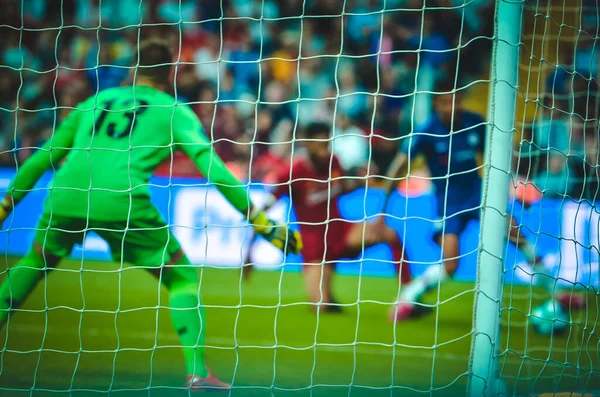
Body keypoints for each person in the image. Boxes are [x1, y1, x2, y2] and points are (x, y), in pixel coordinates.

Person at [0, 38, 302, 391]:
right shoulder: (173, 111)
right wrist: (261, 222)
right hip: (121, 199)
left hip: (66, 194)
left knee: (35, 262)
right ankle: (197, 371)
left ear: (134, 69)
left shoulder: (95, 101)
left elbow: (40, 158)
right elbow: (215, 170)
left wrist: (6, 205)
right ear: (170, 73)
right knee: (182, 277)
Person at [386, 80, 573, 322]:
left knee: (518, 237)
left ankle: (557, 293)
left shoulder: (473, 123)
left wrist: (515, 186)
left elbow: (499, 155)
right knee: (451, 264)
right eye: (446, 101)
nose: (452, 106)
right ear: (436, 104)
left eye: (456, 100)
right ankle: (408, 299)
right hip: (448, 203)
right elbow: (399, 166)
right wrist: (383, 207)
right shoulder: (425, 132)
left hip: (479, 195)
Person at [267, 122, 409, 313]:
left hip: (340, 233)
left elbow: (341, 188)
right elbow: (269, 203)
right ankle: (328, 296)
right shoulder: (294, 172)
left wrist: (361, 182)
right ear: (307, 144)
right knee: (321, 306)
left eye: (327, 143)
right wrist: (250, 249)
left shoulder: (333, 162)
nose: (324, 149)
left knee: (389, 233)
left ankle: (409, 295)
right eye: (319, 144)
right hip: (315, 248)